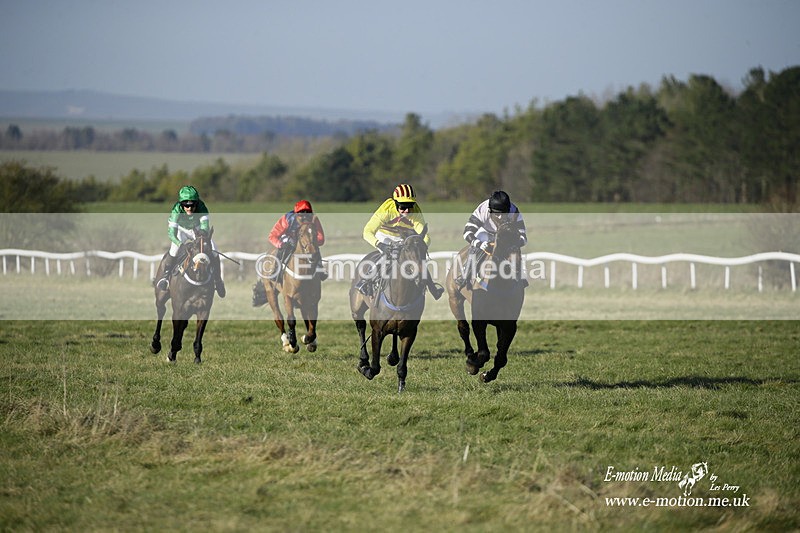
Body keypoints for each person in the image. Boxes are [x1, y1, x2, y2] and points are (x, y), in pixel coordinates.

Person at [358, 183, 444, 299]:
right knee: (389, 254)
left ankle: (432, 287)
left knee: (417, 256)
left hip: (403, 237)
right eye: (403, 206)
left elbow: (425, 236)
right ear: (396, 203)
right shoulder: (387, 209)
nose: (407, 211)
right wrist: (381, 245)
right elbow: (367, 232)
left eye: (410, 206)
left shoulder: (415, 212)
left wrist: (421, 246)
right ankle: (366, 280)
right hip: (384, 235)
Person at [156, 185, 226, 297]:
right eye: (186, 205)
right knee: (174, 250)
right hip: (181, 230)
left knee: (213, 248)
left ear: (197, 203)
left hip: (197, 230)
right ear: (181, 204)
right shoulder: (176, 210)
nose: (189, 208)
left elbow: (204, 229)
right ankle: (165, 278)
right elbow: (172, 234)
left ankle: (218, 280)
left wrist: (200, 238)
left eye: (192, 205)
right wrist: (181, 244)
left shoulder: (202, 207)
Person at [456, 190, 528, 288]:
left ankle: (520, 276)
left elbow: (523, 237)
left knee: (514, 249)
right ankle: (465, 274)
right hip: (486, 232)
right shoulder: (483, 209)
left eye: (504, 214)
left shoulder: (514, 212)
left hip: (505, 235)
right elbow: (467, 232)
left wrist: (513, 243)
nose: (500, 217)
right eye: (497, 214)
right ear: (490, 210)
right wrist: (479, 244)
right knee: (478, 243)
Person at [268, 199, 327, 280]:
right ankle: (276, 270)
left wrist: (312, 241)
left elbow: (321, 238)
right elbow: (272, 236)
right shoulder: (287, 219)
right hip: (290, 238)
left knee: (314, 247)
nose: (305, 217)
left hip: (306, 240)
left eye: (308, 214)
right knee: (283, 247)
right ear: (296, 214)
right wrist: (280, 244)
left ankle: (320, 268)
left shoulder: (314, 219)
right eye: (302, 214)